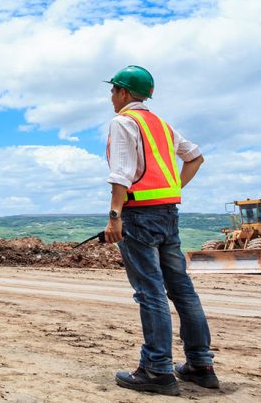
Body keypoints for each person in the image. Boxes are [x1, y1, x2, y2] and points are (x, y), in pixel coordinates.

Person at [102, 65, 219, 396]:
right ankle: (200, 365)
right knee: (182, 290)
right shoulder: (161, 125)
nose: (111, 96)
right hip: (168, 214)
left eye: (113, 90)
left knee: (150, 292)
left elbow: (121, 174)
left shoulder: (123, 121)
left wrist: (115, 216)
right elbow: (195, 158)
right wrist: (173, 190)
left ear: (125, 92)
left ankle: (157, 370)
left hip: (139, 216)